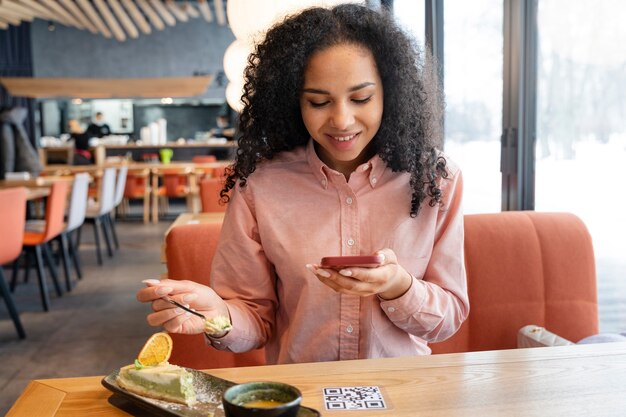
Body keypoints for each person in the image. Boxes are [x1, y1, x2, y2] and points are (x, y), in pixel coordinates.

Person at [138, 4, 469, 364]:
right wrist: (217, 314)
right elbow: (255, 318)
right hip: (302, 392)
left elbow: (449, 316)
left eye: (361, 98)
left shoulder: (435, 179)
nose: (342, 120)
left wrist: (398, 287)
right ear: (293, 101)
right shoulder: (260, 186)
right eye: (318, 101)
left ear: (391, 93)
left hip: (404, 389)